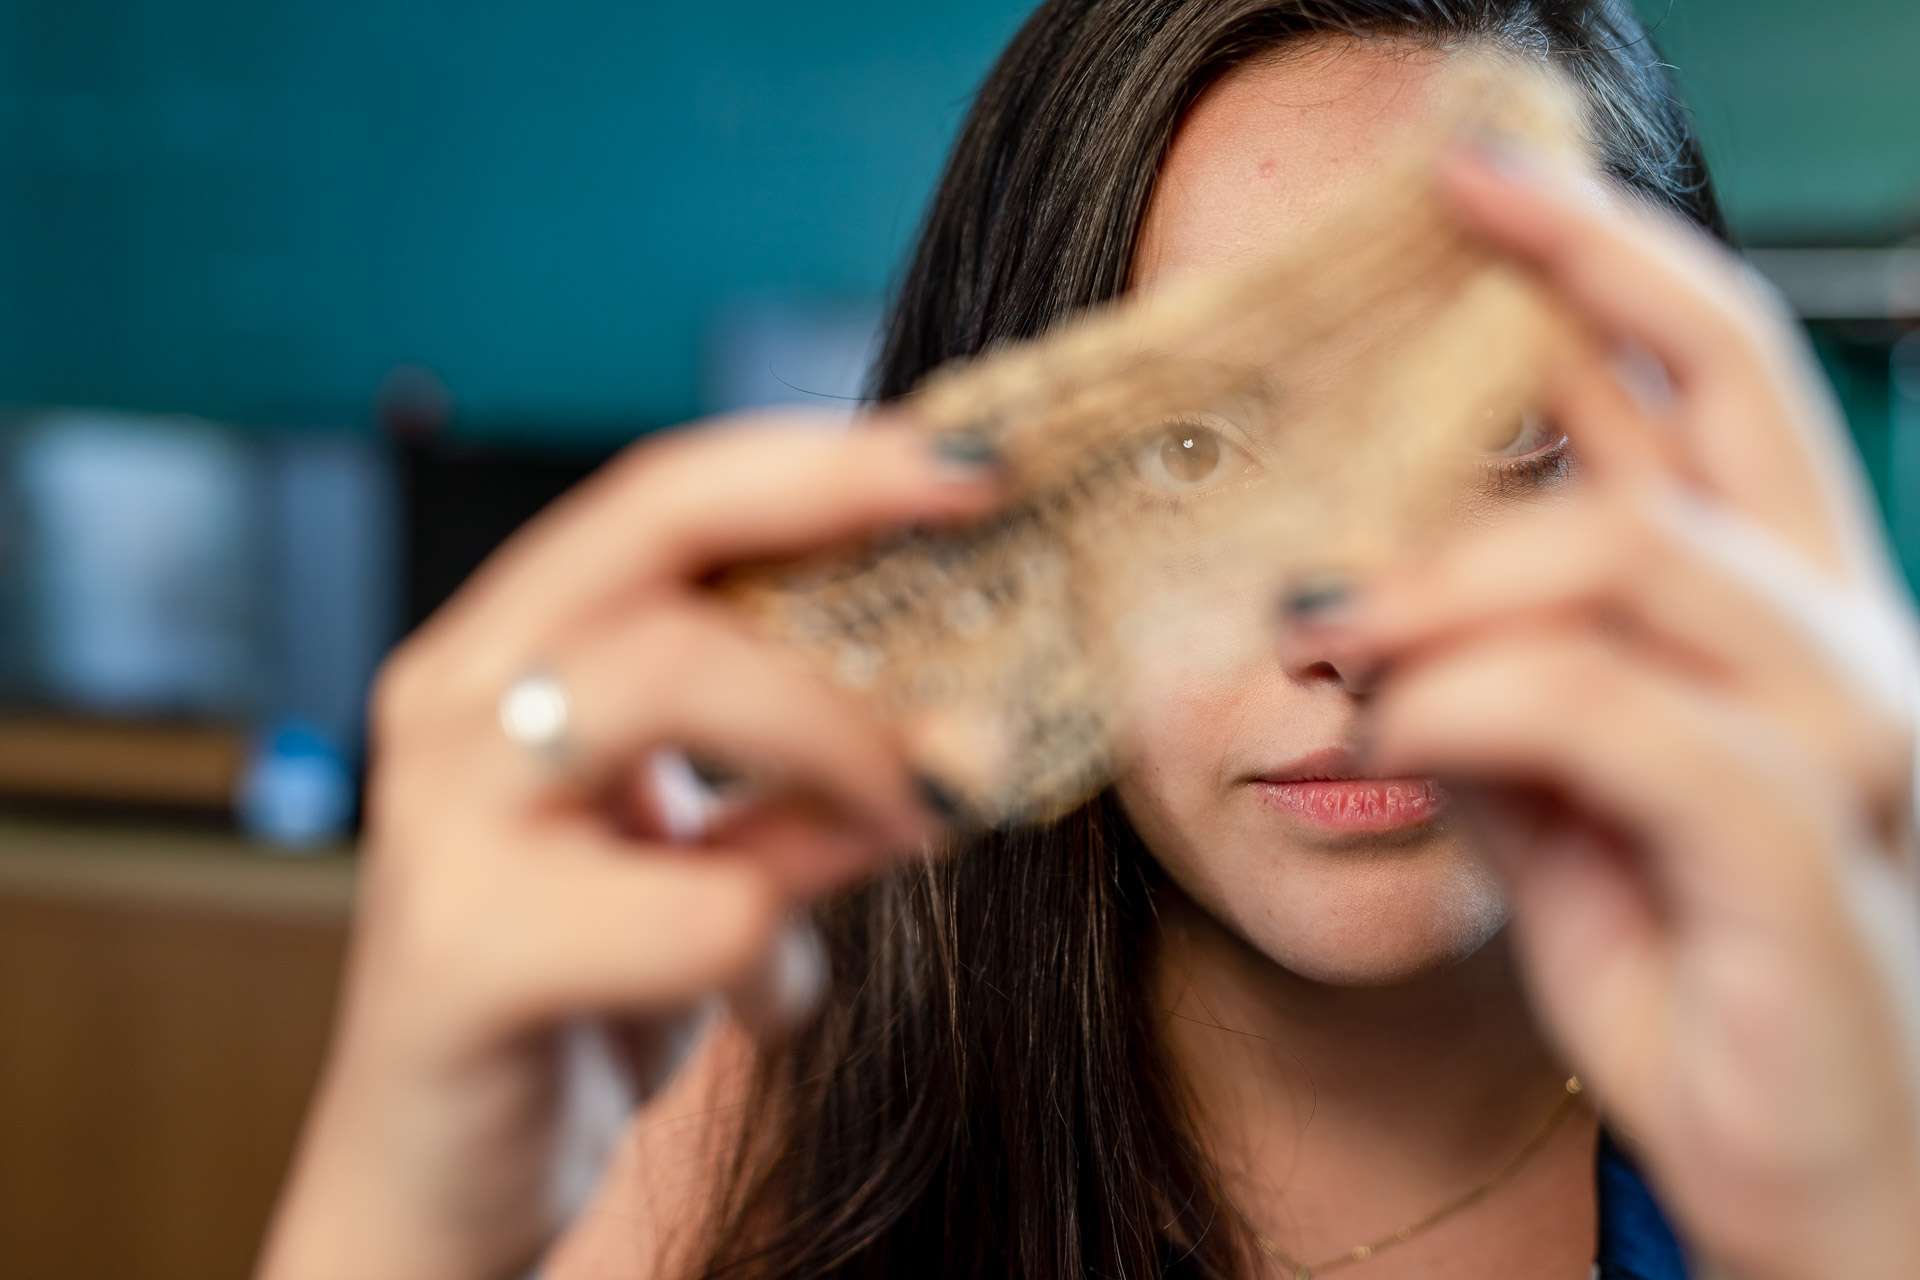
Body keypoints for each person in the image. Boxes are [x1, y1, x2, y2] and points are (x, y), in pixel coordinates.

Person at [258, 2, 1920, 1277]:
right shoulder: (747, 1114)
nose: (1350, 632)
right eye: (1187, 454)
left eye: (1495, 429)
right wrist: (392, 1210)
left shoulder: (1868, 1110)